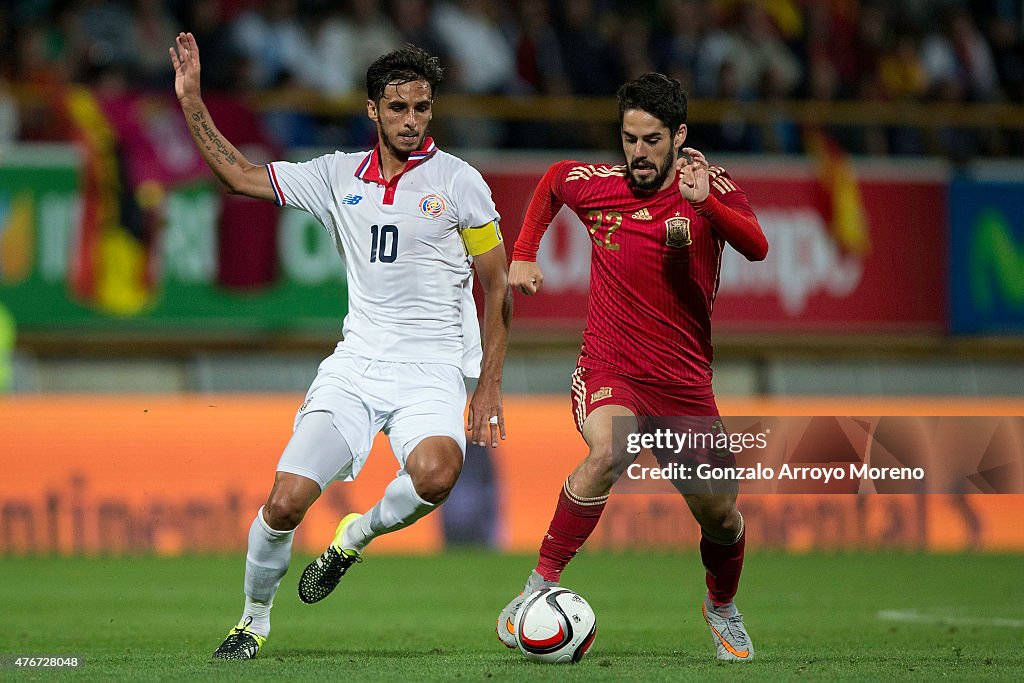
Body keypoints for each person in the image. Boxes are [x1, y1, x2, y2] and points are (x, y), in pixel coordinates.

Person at [170, 33, 512, 660]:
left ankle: (355, 537)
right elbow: (238, 175)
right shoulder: (334, 176)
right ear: (372, 111)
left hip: (433, 369)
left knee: (437, 473)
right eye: (398, 107)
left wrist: (488, 384)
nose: (411, 120)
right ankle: (252, 622)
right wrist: (192, 100)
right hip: (356, 366)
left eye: (422, 107)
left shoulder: (460, 182)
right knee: (284, 503)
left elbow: (498, 283)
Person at [497, 72, 768, 662]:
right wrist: (522, 254)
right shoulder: (600, 186)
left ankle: (720, 606)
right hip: (610, 368)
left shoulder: (710, 187)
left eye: (651, 140)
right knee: (609, 451)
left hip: (685, 386)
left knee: (722, 516)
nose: (638, 153)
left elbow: (757, 246)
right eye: (629, 139)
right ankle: (536, 589)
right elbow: (551, 183)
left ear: (679, 136)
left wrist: (708, 206)